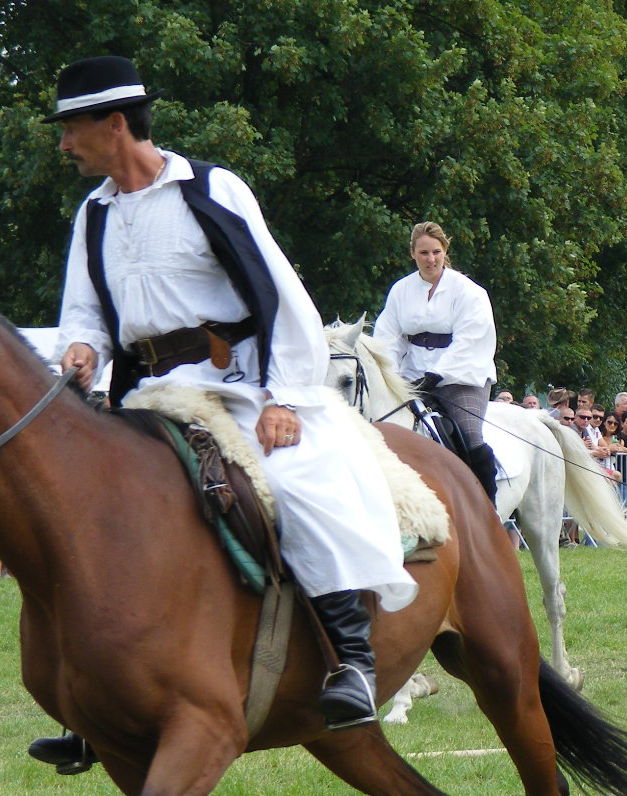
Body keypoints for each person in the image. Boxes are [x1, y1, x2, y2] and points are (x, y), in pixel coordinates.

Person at [44, 55, 414, 754]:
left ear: (114, 124)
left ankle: (354, 664)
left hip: (241, 385)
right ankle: (100, 698)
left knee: (299, 480)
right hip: (146, 395)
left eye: (72, 129)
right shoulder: (92, 215)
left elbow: (281, 293)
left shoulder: (211, 190)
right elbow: (84, 313)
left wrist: (287, 398)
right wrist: (81, 352)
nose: (64, 144)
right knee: (95, 516)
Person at [374, 221, 500, 503]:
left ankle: (488, 508)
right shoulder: (400, 291)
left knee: (470, 436)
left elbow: (469, 340)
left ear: (445, 251)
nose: (430, 259)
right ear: (413, 254)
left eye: (436, 252)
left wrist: (436, 374)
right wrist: (389, 375)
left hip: (461, 377)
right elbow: (387, 339)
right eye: (423, 253)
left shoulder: (469, 292)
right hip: (411, 377)